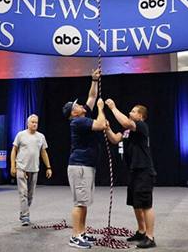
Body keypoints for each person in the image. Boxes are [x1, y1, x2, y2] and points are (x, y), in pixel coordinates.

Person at [104, 99, 157, 249]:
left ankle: (150, 237)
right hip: (133, 171)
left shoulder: (141, 126)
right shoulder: (127, 131)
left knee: (146, 205)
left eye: (133, 112)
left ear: (140, 117)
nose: (129, 113)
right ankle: (141, 231)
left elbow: (127, 123)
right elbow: (115, 139)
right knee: (136, 203)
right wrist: (107, 128)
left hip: (144, 170)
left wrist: (113, 108)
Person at [63, 68, 107, 249]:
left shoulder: (82, 116)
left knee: (85, 202)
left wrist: (94, 80)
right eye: (77, 106)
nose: (81, 105)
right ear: (73, 113)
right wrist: (101, 110)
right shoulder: (78, 121)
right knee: (79, 202)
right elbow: (101, 124)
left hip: (86, 165)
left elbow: (91, 97)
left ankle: (82, 232)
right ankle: (75, 236)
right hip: (79, 166)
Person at [10, 114, 52, 226]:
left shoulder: (41, 137)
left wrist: (48, 167)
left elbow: (44, 152)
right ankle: (25, 217)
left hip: (34, 168)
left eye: (36, 122)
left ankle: (23, 212)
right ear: (28, 123)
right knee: (23, 193)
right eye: (32, 122)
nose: (34, 124)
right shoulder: (21, 135)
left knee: (30, 195)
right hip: (21, 167)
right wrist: (13, 166)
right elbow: (14, 150)